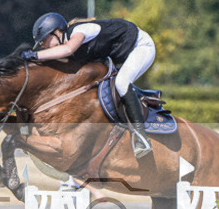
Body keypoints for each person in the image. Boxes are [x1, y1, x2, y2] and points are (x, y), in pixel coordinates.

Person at [21, 12, 155, 158]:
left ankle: (141, 137)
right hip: (120, 57)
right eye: (41, 44)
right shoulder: (67, 46)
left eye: (44, 41)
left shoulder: (79, 31)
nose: (43, 46)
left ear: (57, 32)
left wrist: (34, 55)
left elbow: (68, 49)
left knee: (121, 83)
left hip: (140, 46)